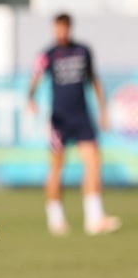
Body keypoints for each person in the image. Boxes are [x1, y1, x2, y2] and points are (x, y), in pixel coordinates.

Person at [28, 13, 120, 236]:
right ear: (54, 29)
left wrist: (103, 110)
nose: (61, 33)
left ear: (69, 28)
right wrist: (30, 99)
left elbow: (94, 80)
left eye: (64, 28)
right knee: (57, 168)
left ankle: (94, 218)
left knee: (93, 163)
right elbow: (35, 79)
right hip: (59, 119)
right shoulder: (48, 54)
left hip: (82, 116)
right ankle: (56, 217)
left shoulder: (83, 51)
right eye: (57, 29)